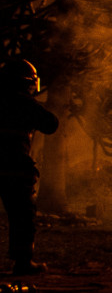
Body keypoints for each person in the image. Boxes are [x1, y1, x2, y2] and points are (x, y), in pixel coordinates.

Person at [0, 59, 59, 276]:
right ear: (27, 83)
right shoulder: (23, 103)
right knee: (22, 216)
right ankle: (23, 262)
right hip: (15, 167)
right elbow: (51, 124)